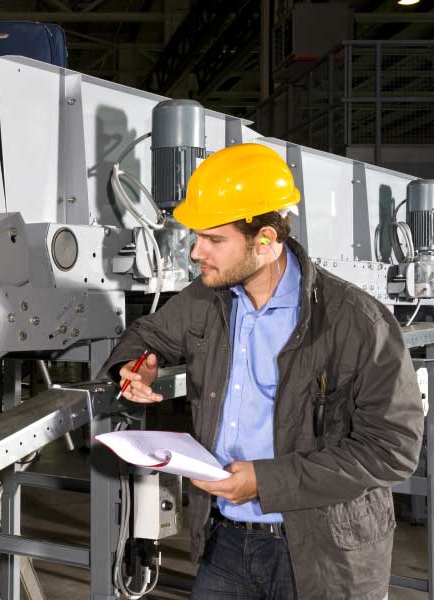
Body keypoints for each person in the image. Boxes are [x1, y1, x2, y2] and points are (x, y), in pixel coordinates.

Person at [101, 143, 424, 600]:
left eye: (214, 240)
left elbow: (392, 449)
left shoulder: (356, 321)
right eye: (197, 237)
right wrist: (136, 367)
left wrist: (265, 482)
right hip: (228, 541)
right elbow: (145, 334)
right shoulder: (207, 299)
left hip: (324, 552)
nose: (196, 252)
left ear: (266, 241)